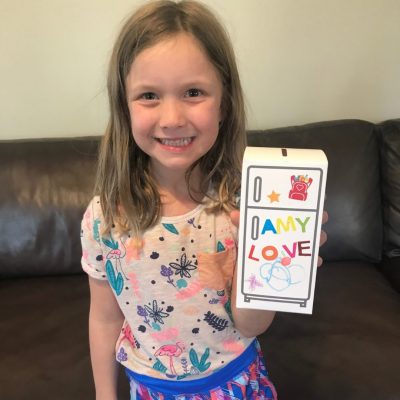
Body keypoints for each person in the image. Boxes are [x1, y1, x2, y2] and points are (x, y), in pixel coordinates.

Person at [81, 1, 327, 399]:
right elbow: (105, 318)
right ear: (123, 109)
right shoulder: (104, 218)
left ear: (224, 102)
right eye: (148, 95)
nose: (173, 117)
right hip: (149, 388)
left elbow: (251, 325)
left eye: (193, 92)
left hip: (233, 384)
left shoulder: (245, 207)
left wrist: (271, 269)